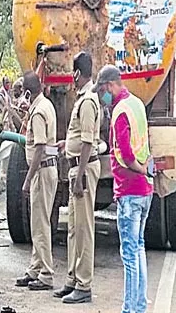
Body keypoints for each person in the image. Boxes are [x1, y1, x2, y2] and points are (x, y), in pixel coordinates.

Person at [93, 65, 152, 313]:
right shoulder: (137, 104)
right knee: (139, 248)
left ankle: (129, 309)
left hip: (129, 189)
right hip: (145, 191)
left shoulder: (119, 112)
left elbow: (126, 154)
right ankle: (139, 306)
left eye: (102, 91)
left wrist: (138, 169)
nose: (102, 97)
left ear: (109, 85)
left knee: (129, 254)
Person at [53, 52, 101, 304]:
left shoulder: (88, 101)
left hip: (82, 169)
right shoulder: (84, 99)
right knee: (73, 228)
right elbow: (78, 139)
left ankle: (84, 285)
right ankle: (73, 278)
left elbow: (88, 142)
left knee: (83, 229)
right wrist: (66, 144)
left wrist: (80, 176)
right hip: (75, 167)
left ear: (77, 73)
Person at [15, 71, 58, 291]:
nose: (22, 97)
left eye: (23, 92)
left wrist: (27, 179)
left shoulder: (39, 112)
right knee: (37, 223)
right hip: (46, 171)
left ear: (29, 92)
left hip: (41, 172)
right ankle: (35, 268)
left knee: (40, 225)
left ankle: (46, 274)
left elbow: (40, 147)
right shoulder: (45, 105)